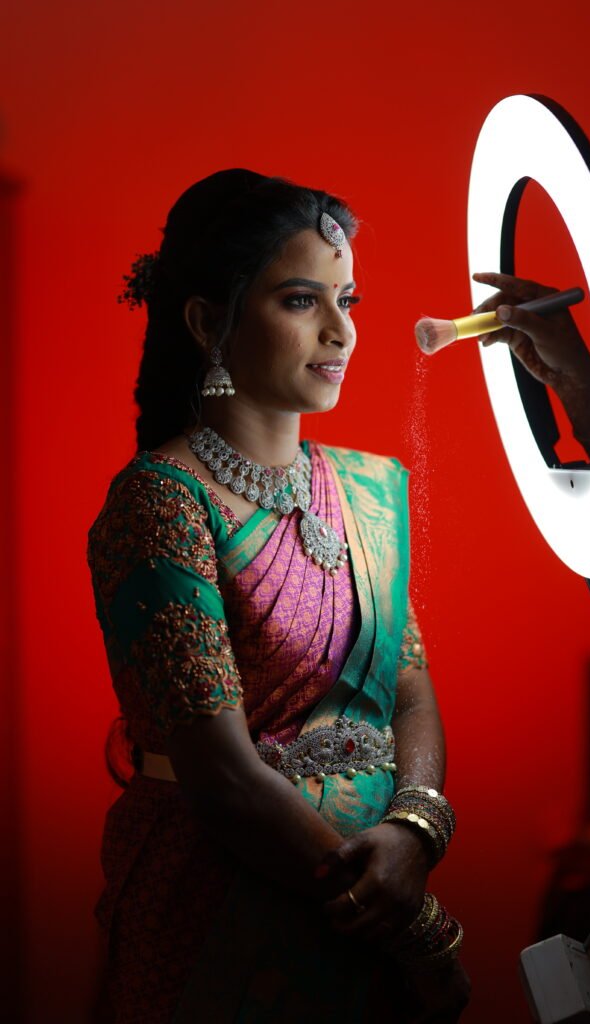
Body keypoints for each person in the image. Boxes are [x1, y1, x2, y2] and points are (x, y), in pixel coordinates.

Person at [87, 169, 470, 1023]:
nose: (341, 331)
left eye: (348, 300)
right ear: (206, 322)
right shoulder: (162, 502)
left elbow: (409, 690)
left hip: (373, 894)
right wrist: (412, 927)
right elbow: (223, 775)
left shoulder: (369, 490)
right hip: (222, 901)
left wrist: (413, 831)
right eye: (302, 300)